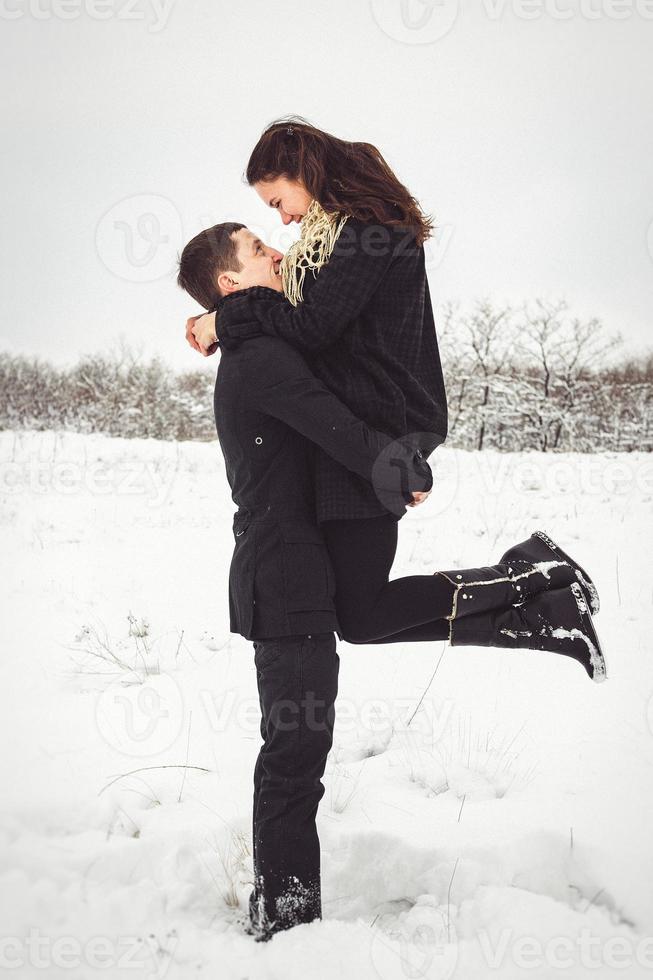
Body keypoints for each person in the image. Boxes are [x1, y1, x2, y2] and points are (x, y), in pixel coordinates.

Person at [185, 121, 605, 673]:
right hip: (357, 431)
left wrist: (226, 315)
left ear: (305, 171)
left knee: (361, 614)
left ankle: (532, 577)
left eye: (279, 200)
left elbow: (310, 328)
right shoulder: (331, 236)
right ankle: (539, 616)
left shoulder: (365, 229)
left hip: (378, 425)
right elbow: (294, 326)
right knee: (358, 617)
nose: (283, 218)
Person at [177, 222, 434, 942]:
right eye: (260, 250)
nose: (278, 252)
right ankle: (285, 921)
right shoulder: (257, 358)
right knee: (294, 755)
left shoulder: (260, 339)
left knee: (299, 751)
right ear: (231, 283)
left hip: (292, 572)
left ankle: (285, 912)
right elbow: (331, 425)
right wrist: (400, 466)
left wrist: (213, 320)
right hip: (280, 577)